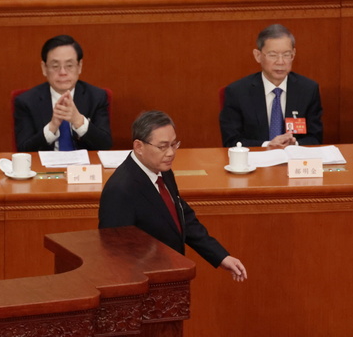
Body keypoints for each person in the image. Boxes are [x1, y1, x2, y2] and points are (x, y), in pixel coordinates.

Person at [99, 111, 248, 282]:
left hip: (170, 277)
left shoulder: (162, 170)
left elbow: (181, 217)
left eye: (173, 144)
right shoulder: (120, 190)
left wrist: (220, 256)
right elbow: (115, 254)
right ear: (139, 147)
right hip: (146, 285)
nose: (170, 153)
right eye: (162, 146)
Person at [219, 24, 322, 149]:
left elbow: (315, 138)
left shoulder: (307, 89)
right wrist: (268, 145)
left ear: (293, 55)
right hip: (256, 162)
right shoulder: (237, 92)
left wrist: (294, 144)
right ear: (258, 56)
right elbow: (232, 141)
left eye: (286, 54)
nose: (280, 62)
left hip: (294, 162)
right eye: (273, 55)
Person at [13, 35, 112, 153]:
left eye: (69, 66)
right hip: (43, 169)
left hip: (85, 169)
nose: (62, 72)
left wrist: (78, 121)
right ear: (44, 68)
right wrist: (52, 126)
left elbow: (105, 145)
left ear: (79, 66)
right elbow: (24, 149)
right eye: (55, 66)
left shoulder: (96, 97)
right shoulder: (26, 101)